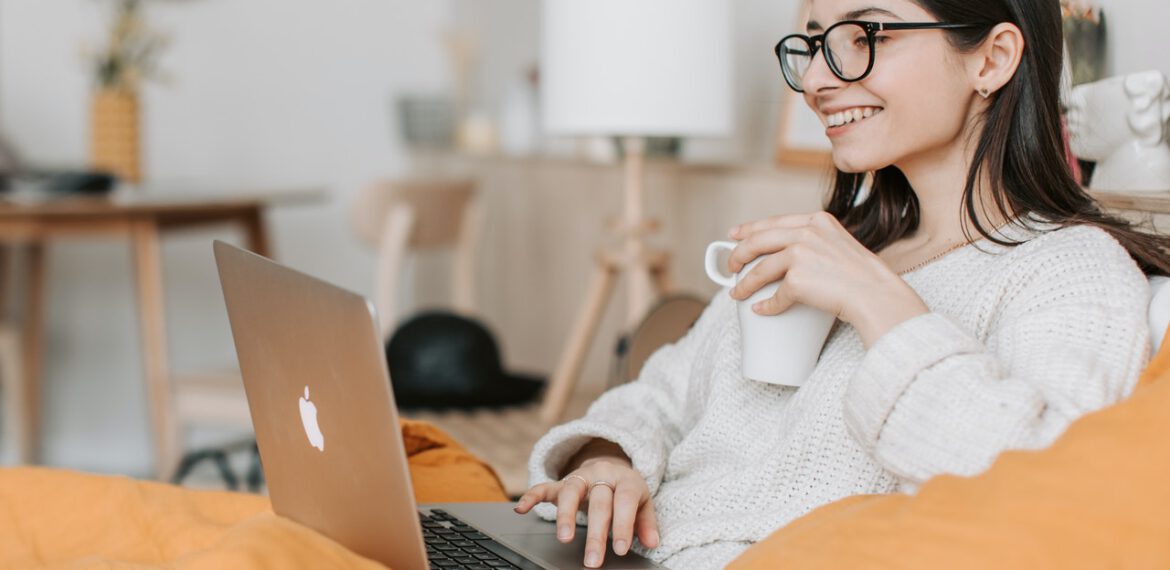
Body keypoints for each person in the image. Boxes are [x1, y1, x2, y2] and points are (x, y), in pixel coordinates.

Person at [514, 0, 1170, 568]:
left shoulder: (1068, 271)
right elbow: (659, 394)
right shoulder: (834, 242)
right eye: (814, 44)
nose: (819, 80)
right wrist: (608, 459)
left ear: (992, 59)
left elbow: (1040, 491)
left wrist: (877, 301)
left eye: (864, 38)